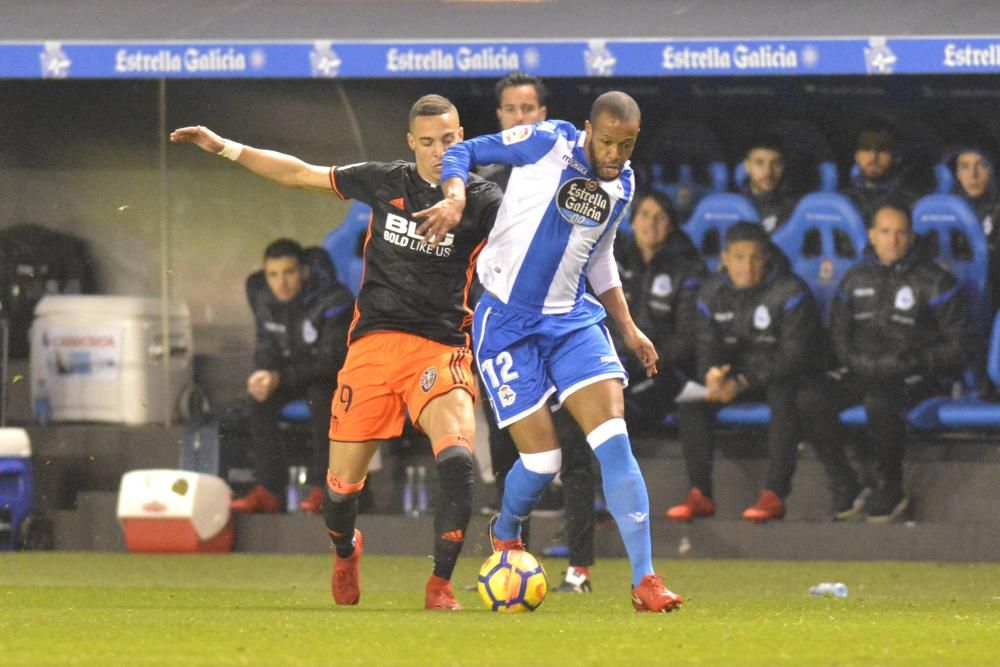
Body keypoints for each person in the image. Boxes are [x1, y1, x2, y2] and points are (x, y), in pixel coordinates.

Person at [170, 94, 503, 611]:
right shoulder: (385, 180)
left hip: (440, 349)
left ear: (463, 138)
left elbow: (536, 241)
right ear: (411, 143)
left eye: (450, 140)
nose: (440, 151)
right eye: (429, 142)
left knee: (457, 460)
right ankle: (346, 551)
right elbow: (300, 174)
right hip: (372, 348)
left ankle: (439, 585)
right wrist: (225, 148)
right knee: (339, 493)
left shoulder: (483, 201)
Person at [422, 91, 683, 612]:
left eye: (626, 145)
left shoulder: (623, 185)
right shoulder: (547, 140)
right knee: (543, 462)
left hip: (571, 320)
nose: (615, 155)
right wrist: (454, 197)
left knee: (613, 439)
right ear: (588, 129)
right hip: (507, 324)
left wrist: (629, 329)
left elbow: (600, 256)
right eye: (607, 142)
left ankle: (645, 580)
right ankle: (508, 529)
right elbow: (461, 154)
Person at [477, 71, 597, 595]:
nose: (520, 117)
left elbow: (593, 254)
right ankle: (511, 555)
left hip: (558, 328)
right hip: (503, 333)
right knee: (511, 454)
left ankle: (581, 567)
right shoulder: (482, 191)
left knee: (572, 451)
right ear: (500, 118)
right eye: (510, 109)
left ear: (544, 117)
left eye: (529, 109)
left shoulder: (572, 174)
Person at [797, 203, 974, 522]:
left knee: (880, 401)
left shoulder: (936, 281)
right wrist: (854, 360)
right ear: (871, 236)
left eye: (901, 232)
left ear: (911, 237)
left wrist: (910, 360)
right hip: (863, 369)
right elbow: (838, 335)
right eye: (885, 232)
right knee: (810, 397)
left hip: (914, 374)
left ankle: (890, 488)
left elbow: (960, 347)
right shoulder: (853, 278)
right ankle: (845, 482)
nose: (893, 240)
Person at [665, 222, 826, 523]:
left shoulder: (791, 291)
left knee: (784, 395)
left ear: (766, 258)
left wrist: (741, 381)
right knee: (691, 404)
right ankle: (700, 494)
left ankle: (774, 494)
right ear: (724, 259)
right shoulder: (711, 292)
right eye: (739, 257)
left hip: (781, 376)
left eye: (755, 257)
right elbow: (706, 346)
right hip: (737, 380)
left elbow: (793, 357)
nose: (747, 266)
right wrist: (713, 376)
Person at [233, 239, 353, 514]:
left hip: (330, 378)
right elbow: (266, 343)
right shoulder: (263, 298)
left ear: (304, 272)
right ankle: (268, 490)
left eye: (288, 272)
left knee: (321, 397)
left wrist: (279, 378)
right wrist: (263, 374)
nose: (281, 283)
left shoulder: (334, 300)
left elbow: (332, 361)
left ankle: (324, 489)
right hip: (290, 376)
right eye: (273, 274)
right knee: (258, 401)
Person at [614, 190, 706, 433]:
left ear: (672, 225)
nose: (651, 223)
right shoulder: (610, 261)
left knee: (619, 412)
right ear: (632, 221)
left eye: (660, 217)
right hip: (618, 363)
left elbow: (688, 336)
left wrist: (645, 359)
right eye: (645, 214)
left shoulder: (688, 268)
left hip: (665, 369)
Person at [947, 146, 1000, 311]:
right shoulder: (943, 210)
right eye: (965, 166)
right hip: (954, 300)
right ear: (957, 173)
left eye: (981, 165)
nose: (973, 175)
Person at [841, 121, 921, 226]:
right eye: (866, 149)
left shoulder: (912, 203)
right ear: (856, 156)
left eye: (882, 150)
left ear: (897, 157)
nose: (873, 157)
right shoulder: (842, 201)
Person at [738, 135, 797, 234]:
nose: (768, 172)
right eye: (759, 163)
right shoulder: (733, 205)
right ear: (747, 166)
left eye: (776, 163)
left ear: (784, 166)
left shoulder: (795, 209)